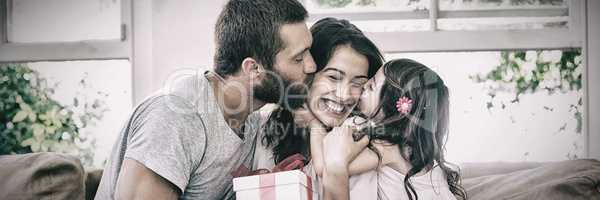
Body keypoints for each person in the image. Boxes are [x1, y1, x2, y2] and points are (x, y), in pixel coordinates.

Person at [94, 0, 316, 199]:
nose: (311, 65)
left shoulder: (251, 119)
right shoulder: (175, 116)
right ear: (253, 68)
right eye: (298, 58)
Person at [253, 16, 383, 197]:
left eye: (358, 83)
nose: (344, 95)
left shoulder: (359, 138)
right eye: (333, 77)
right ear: (307, 72)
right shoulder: (268, 127)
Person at [320, 59, 468, 200]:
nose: (364, 86)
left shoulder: (387, 147)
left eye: (371, 87)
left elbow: (326, 167)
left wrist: (317, 125)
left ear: (391, 108)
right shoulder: (421, 153)